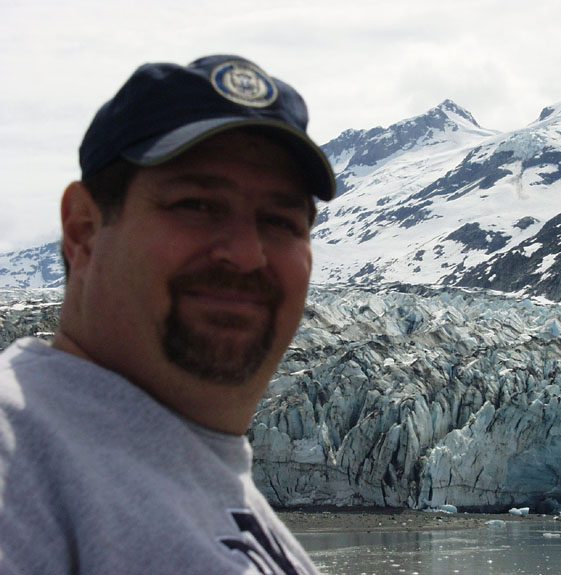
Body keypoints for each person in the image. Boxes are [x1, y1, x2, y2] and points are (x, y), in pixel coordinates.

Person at [0, 54, 335, 574]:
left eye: (279, 220)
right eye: (197, 205)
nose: (246, 254)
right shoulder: (17, 456)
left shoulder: (222, 495)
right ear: (83, 229)